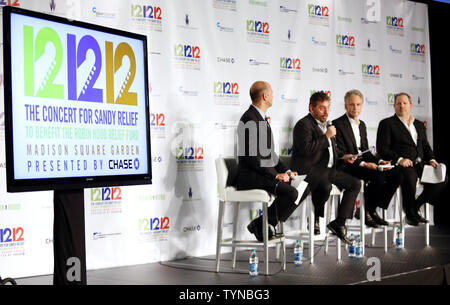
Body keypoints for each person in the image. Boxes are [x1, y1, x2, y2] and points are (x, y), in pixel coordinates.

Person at [235, 81, 310, 242]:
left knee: (303, 187)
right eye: (272, 92)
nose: (273, 96)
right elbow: (253, 158)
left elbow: (270, 155)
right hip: (251, 175)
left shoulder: (260, 118)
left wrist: (287, 172)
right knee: (291, 192)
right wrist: (276, 176)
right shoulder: (249, 119)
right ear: (265, 96)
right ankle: (263, 224)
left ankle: (261, 223)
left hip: (262, 173)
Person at [291, 91, 360, 245]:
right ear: (311, 108)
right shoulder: (303, 125)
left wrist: (344, 157)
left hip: (328, 170)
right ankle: (316, 217)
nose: (326, 112)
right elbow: (306, 150)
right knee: (325, 186)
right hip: (309, 170)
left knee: (355, 183)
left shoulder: (328, 126)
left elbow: (332, 151)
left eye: (328, 108)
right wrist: (326, 136)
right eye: (322, 108)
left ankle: (339, 223)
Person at [332, 90, 403, 228]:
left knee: (396, 176)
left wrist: (379, 161)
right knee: (377, 177)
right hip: (348, 166)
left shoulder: (362, 125)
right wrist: (364, 164)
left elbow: (365, 151)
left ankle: (371, 209)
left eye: (358, 104)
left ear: (362, 106)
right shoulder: (338, 124)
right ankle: (367, 213)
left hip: (362, 164)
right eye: (352, 104)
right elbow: (341, 152)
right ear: (346, 106)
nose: (355, 108)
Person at [376, 92, 448, 225]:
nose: (401, 106)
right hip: (402, 166)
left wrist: (432, 159)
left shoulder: (419, 124)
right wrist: (400, 159)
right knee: (409, 176)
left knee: (441, 178)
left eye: (405, 103)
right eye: (398, 103)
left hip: (421, 165)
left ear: (411, 105)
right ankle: (409, 212)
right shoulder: (387, 123)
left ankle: (415, 206)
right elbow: (382, 149)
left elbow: (425, 146)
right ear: (394, 106)